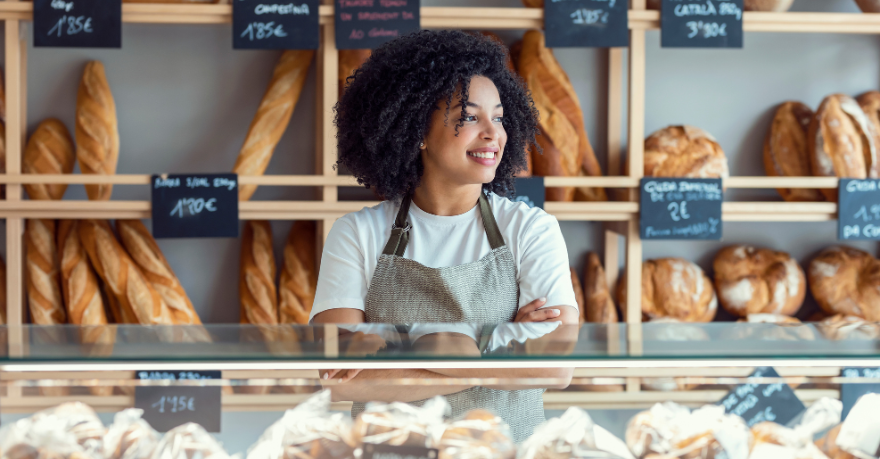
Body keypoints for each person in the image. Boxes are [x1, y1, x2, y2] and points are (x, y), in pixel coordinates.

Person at [310, 30, 579, 441]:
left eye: (500, 117)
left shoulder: (531, 230)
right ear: (416, 129)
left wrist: (410, 349)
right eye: (469, 117)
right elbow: (342, 381)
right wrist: (499, 346)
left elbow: (555, 368)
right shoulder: (357, 234)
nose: (494, 134)